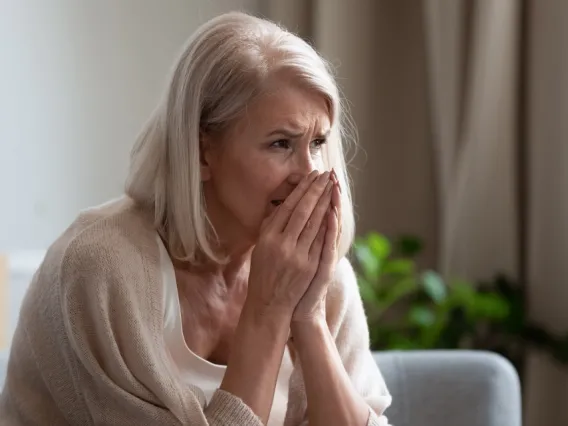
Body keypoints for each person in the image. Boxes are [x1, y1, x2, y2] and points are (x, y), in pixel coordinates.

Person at [0, 11, 392, 426]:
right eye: (281, 143)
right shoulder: (99, 267)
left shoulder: (318, 275)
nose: (309, 173)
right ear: (202, 151)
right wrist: (268, 311)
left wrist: (308, 317)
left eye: (317, 142)